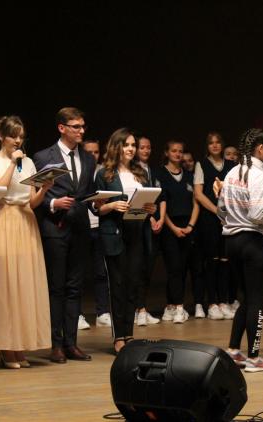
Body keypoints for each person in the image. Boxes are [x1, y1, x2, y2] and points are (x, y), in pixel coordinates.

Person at [0, 115, 52, 369]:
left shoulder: (28, 162)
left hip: (26, 220)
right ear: (1, 136)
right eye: (13, 136)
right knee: (5, 284)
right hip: (2, 219)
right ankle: (6, 346)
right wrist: (11, 163)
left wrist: (44, 188)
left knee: (25, 284)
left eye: (21, 136)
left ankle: (19, 345)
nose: (18, 140)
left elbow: (32, 201)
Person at [217, 128, 263, 372]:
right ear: (260, 148)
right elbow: (258, 215)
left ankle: (234, 350)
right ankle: (254, 358)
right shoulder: (260, 176)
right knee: (256, 300)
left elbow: (221, 210)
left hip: (232, 241)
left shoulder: (231, 173)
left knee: (245, 298)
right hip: (254, 243)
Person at [33, 107, 96, 363]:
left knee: (74, 288)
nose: (81, 131)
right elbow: (35, 195)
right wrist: (52, 203)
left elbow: (87, 193)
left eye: (82, 126)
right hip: (55, 228)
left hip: (80, 228)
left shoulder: (88, 159)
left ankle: (71, 343)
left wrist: (98, 202)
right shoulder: (42, 157)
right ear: (62, 128)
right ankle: (55, 344)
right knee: (56, 287)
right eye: (75, 126)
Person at [95, 128, 157, 353]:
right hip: (115, 234)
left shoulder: (141, 172)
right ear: (117, 146)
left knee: (132, 285)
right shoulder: (105, 174)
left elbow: (148, 203)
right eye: (126, 145)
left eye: (133, 145)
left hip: (137, 234)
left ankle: (129, 334)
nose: (131, 149)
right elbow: (96, 208)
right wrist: (112, 205)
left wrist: (151, 208)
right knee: (118, 286)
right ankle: (118, 336)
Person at [155, 140, 203, 324]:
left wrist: (190, 226)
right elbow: (161, 204)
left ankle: (173, 306)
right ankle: (177, 306)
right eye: (174, 151)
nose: (177, 154)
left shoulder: (189, 176)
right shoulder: (160, 174)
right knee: (173, 267)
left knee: (182, 267)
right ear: (167, 153)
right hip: (169, 226)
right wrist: (173, 228)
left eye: (180, 151)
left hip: (188, 226)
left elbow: (196, 203)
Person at [194, 132, 236, 320]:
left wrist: (226, 213)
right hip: (209, 219)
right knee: (211, 261)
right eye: (211, 143)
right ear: (207, 146)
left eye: (218, 142)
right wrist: (217, 211)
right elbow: (198, 194)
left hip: (228, 219)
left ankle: (224, 301)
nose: (215, 145)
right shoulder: (201, 164)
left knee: (225, 261)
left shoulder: (232, 165)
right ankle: (212, 303)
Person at [78, 139, 111, 330]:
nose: (93, 155)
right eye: (89, 152)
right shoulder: (79, 169)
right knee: (78, 273)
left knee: (101, 272)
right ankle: (77, 314)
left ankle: (103, 313)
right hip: (81, 227)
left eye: (96, 152)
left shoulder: (104, 172)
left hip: (100, 226)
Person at [135, 135, 164, 326]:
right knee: (137, 267)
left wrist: (158, 217)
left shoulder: (152, 170)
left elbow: (158, 197)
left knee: (147, 266)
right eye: (142, 147)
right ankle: (138, 309)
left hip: (149, 224)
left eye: (149, 147)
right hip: (137, 222)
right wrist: (151, 216)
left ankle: (142, 308)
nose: (146, 150)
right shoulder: (132, 169)